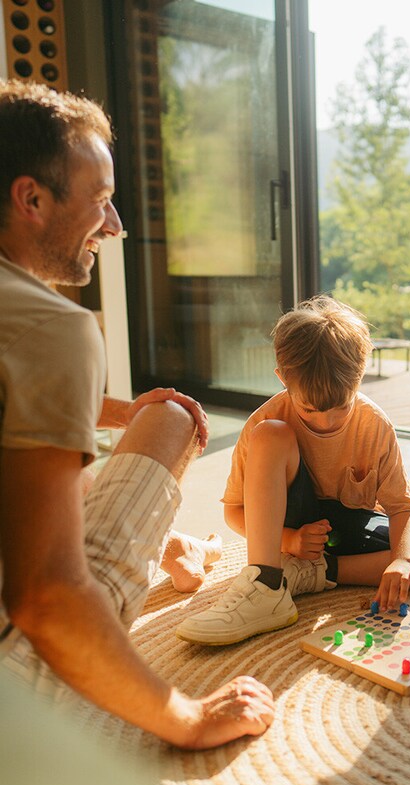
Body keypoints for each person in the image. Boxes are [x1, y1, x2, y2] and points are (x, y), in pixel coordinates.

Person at [0, 80, 273, 748]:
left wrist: (119, 412)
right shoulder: (51, 327)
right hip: (16, 683)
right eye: (99, 200)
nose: (115, 224)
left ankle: (176, 548)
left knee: (76, 460)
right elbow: (46, 599)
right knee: (173, 418)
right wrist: (189, 718)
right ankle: (176, 550)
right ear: (31, 199)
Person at [176, 296, 410, 646]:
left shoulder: (374, 424)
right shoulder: (265, 422)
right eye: (309, 410)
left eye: (341, 407)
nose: (326, 421)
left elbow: (401, 508)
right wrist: (290, 540)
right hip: (290, 529)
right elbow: (234, 511)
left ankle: (316, 574)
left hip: (350, 528)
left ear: (360, 376)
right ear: (282, 379)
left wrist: (400, 561)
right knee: (271, 435)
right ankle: (267, 583)